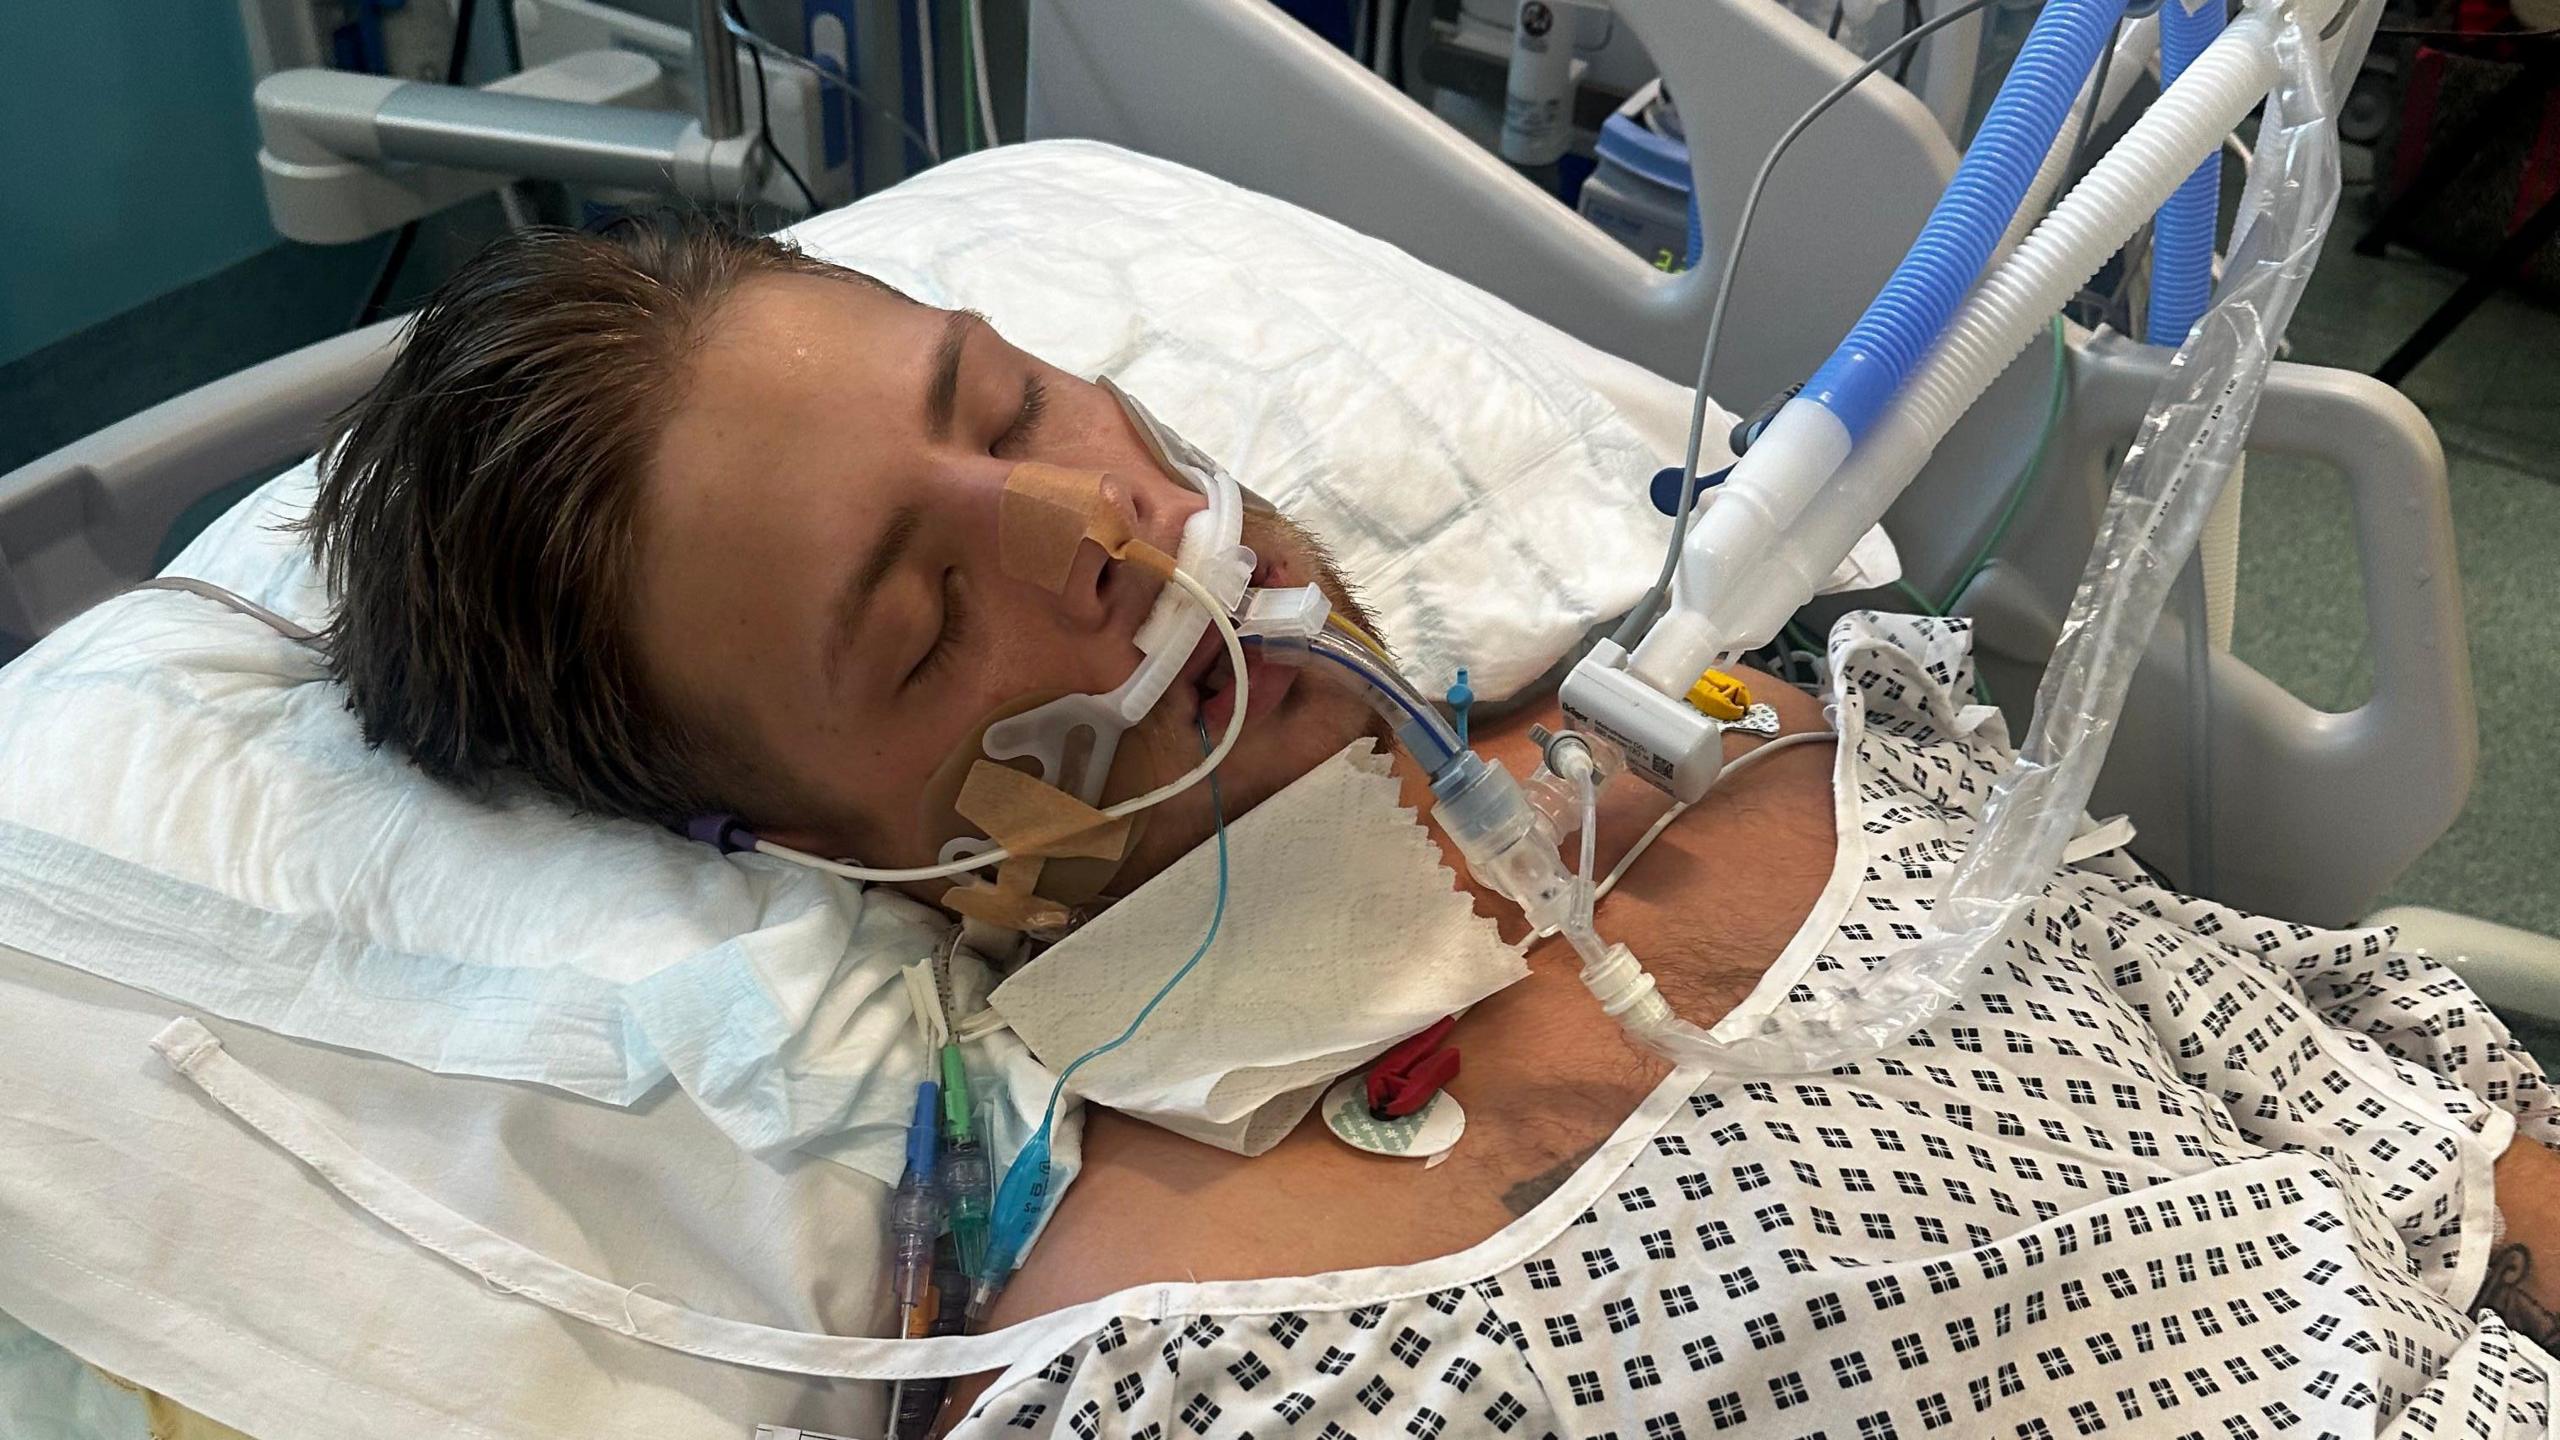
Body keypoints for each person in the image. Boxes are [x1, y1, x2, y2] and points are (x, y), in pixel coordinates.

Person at [309, 212, 2560, 1436]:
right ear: (823, 850)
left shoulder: (1725, 721)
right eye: (916, 626)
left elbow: (2408, 1137)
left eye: (1003, 403)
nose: (1094, 525)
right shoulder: (1180, 1352)